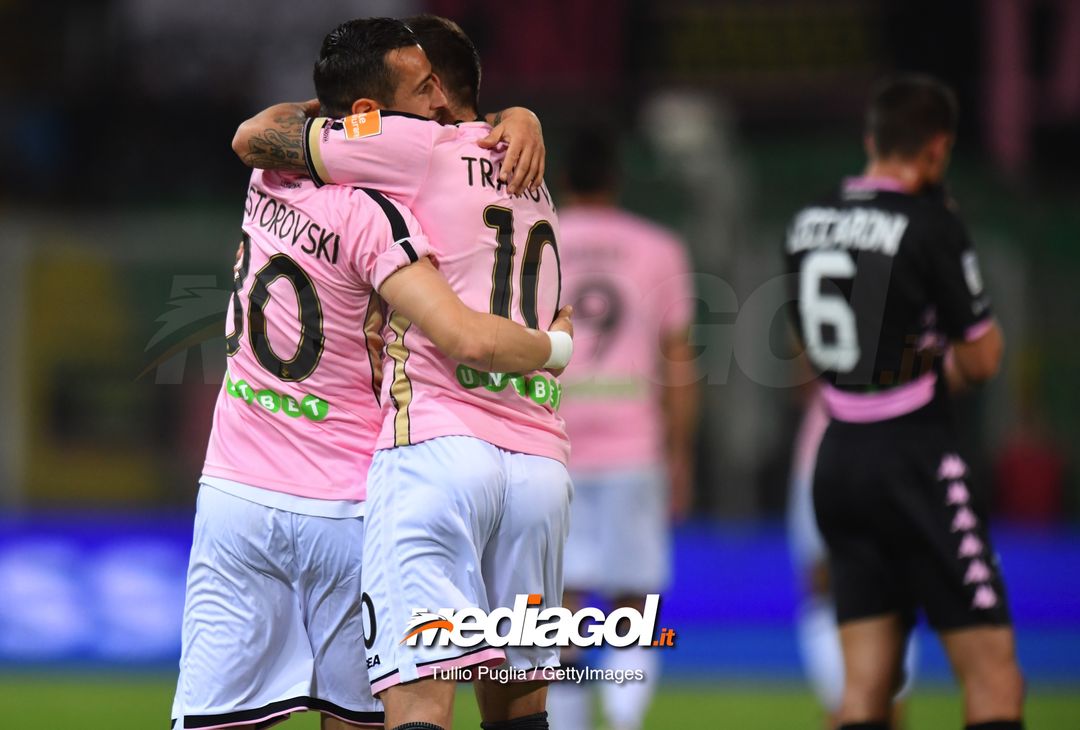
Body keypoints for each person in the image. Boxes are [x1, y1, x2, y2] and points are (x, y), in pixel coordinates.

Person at [174, 18, 573, 730]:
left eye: (431, 84)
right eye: (418, 88)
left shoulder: (273, 178)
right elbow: (461, 333)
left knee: (408, 704)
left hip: (250, 486)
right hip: (440, 478)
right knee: (514, 704)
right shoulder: (510, 179)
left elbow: (253, 135)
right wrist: (559, 347)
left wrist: (338, 114)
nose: (433, 104)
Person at [783, 74, 1025, 730]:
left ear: (872, 140)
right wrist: (922, 362)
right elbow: (982, 359)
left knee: (866, 692)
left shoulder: (809, 222)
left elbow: (810, 349)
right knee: (995, 675)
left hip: (835, 461)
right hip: (914, 455)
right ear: (938, 149)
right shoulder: (929, 224)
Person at [542, 125, 698, 730]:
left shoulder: (540, 241)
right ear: (616, 178)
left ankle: (574, 723)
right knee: (634, 595)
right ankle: (627, 719)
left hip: (555, 444)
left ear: (563, 180)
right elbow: (678, 359)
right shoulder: (659, 248)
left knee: (563, 600)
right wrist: (679, 451)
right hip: (636, 447)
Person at [786, 388, 917, 728]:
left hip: (880, 455)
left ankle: (857, 707)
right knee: (837, 587)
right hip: (845, 452)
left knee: (883, 588)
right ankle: (851, 705)